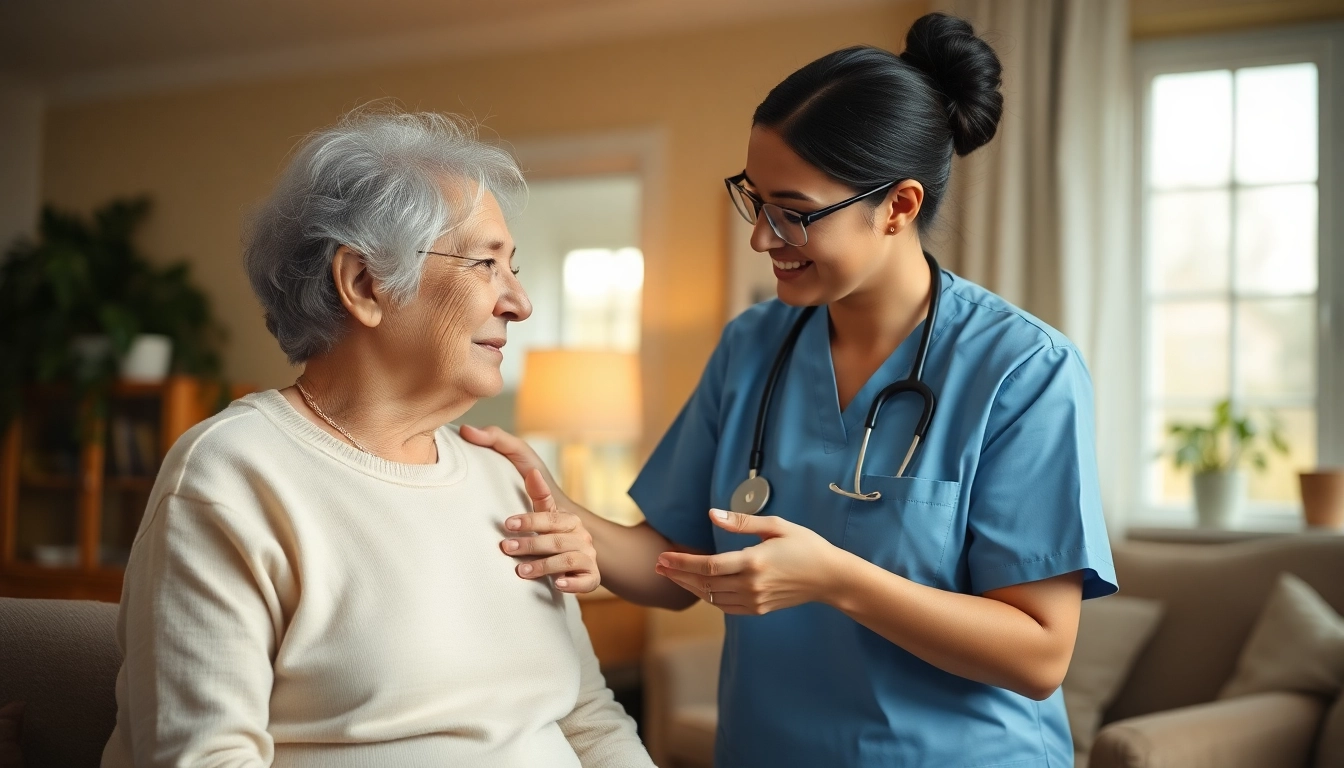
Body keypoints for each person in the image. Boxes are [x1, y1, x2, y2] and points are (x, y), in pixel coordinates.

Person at [464, 12, 1116, 767]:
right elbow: (675, 566)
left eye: (796, 215)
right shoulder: (754, 345)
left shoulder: (1022, 370)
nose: (762, 238)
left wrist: (835, 579)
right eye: (755, 198)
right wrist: (556, 507)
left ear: (898, 207)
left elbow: (1038, 654)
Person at [101, 110, 653, 768]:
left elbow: (587, 718)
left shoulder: (502, 477)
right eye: (486, 264)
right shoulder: (232, 475)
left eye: (516, 268)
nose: (520, 302)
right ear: (364, 284)